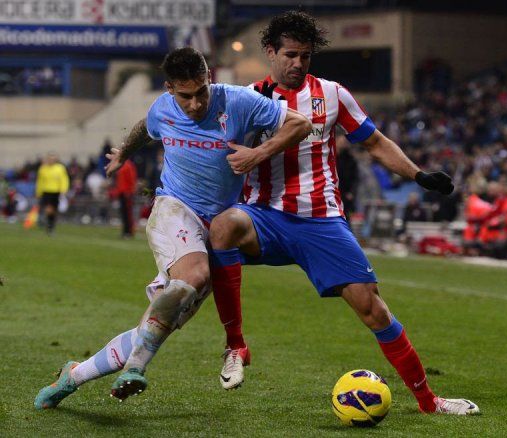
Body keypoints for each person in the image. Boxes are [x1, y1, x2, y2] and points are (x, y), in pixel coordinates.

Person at [208, 11, 479, 415]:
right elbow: (218, 155)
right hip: (264, 217)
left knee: (373, 308)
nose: (298, 63)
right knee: (222, 227)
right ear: (270, 52)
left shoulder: (332, 95)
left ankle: (429, 401)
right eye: (290, 55)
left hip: (321, 222)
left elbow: (375, 142)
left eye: (305, 56)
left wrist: (418, 175)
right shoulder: (249, 98)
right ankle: (236, 346)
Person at [34, 47, 311, 409]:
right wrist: (122, 153)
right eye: (185, 96)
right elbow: (143, 129)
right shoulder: (163, 108)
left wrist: (259, 153)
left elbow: (301, 124)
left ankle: (74, 375)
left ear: (210, 77)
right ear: (169, 89)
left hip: (219, 229)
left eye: (201, 92)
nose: (195, 104)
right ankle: (135, 368)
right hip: (174, 209)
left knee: (156, 327)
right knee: (192, 276)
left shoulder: (240, 102)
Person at [35, 152, 69, 234]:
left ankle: (50, 225)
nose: (51, 160)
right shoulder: (43, 168)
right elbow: (40, 181)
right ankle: (46, 222)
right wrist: (38, 192)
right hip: (46, 191)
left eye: (53, 159)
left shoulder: (60, 168)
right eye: (50, 158)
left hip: (55, 192)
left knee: (53, 210)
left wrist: (64, 189)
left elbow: (64, 179)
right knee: (48, 208)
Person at [110, 158, 138, 238]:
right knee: (124, 214)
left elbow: (132, 179)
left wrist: (130, 191)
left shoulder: (128, 165)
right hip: (121, 192)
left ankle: (129, 232)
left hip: (127, 193)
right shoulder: (122, 165)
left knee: (128, 214)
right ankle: (125, 231)